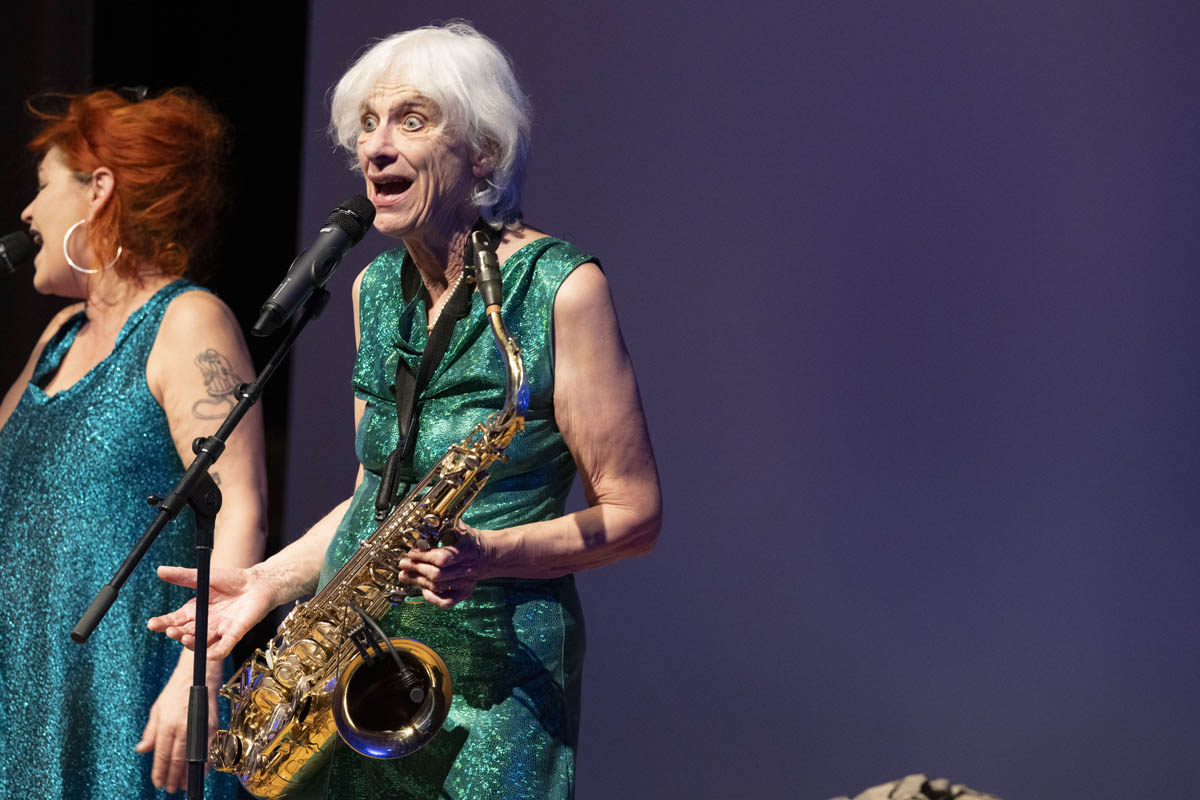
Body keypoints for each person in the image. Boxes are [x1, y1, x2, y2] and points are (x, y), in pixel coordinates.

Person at [150, 21, 662, 800]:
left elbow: (635, 515)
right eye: (367, 124)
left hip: (495, 673)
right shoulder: (374, 289)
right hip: (357, 667)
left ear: (483, 150)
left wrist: (488, 554)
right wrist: (269, 581)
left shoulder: (561, 288)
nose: (377, 148)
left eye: (411, 121)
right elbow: (376, 493)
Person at [0, 89, 267, 797]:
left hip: (127, 693)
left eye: (43, 187)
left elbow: (240, 508)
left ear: (99, 189)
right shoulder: (59, 337)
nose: (27, 213)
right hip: (26, 686)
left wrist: (197, 675)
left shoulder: (188, 320)